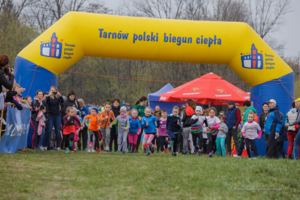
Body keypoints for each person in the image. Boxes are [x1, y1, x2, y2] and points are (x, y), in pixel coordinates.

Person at [45, 86, 63, 150]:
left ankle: (58, 146)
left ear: (56, 91)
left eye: (54, 90)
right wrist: (48, 96)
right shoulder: (48, 97)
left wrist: (60, 96)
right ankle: (45, 145)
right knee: (49, 131)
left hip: (57, 115)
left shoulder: (58, 97)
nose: (53, 91)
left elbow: (62, 103)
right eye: (52, 90)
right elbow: (46, 103)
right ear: (50, 91)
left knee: (57, 131)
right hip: (50, 115)